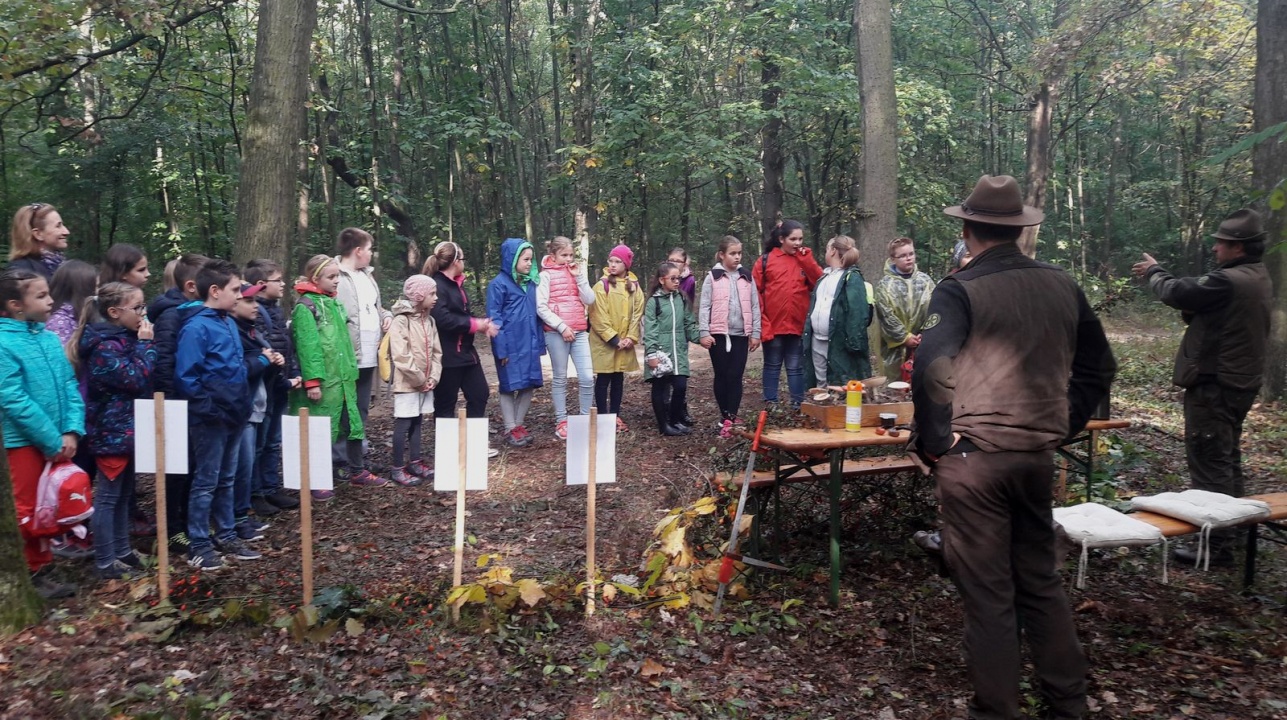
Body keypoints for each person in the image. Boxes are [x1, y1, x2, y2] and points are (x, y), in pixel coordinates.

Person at [909, 174, 1115, 720]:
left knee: (989, 594)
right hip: (1034, 457)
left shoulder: (959, 288)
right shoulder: (1061, 283)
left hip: (975, 461)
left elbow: (932, 366)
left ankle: (996, 710)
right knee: (1040, 583)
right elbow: (1099, 367)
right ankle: (1067, 704)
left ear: (967, 229)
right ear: (1019, 231)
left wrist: (937, 441)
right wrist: (1063, 425)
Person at [1130, 208, 1273, 568]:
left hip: (1216, 385)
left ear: (1238, 247)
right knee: (1226, 458)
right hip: (1238, 382)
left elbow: (1180, 293)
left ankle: (1216, 546)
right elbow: (1204, 308)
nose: (1214, 248)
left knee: (1210, 463)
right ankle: (1233, 531)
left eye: (1221, 243)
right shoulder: (1256, 275)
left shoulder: (1230, 280)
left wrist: (1155, 271)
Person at [0, 268, 85, 598]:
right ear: (15, 305)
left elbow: (69, 383)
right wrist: (51, 439)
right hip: (21, 443)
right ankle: (30, 572)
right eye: (41, 296)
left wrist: (72, 430)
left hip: (58, 439)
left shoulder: (49, 338)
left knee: (49, 504)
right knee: (26, 508)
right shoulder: (4, 343)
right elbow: (12, 397)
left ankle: (43, 564)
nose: (51, 301)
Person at [174, 259, 262, 570]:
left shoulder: (227, 323)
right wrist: (210, 411)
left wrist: (240, 406)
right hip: (210, 419)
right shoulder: (196, 327)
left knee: (227, 478)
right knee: (206, 481)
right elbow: (187, 377)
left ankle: (226, 534)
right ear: (214, 291)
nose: (239, 296)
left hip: (235, 414)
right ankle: (199, 543)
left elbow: (235, 369)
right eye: (235, 290)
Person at [67, 282, 156, 580]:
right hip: (111, 432)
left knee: (124, 494)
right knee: (108, 497)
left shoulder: (125, 340)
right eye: (137, 307)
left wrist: (142, 345)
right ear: (115, 312)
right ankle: (106, 561)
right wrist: (146, 345)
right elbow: (135, 379)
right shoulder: (104, 347)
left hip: (129, 430)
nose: (143, 313)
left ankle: (123, 551)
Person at [291, 254, 387, 492]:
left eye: (337, 276)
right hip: (325, 381)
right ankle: (316, 479)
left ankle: (357, 470)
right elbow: (308, 346)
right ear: (316, 278)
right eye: (331, 277)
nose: (336, 281)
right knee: (321, 428)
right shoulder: (306, 307)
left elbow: (344, 342)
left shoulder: (334, 303)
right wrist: (313, 381)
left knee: (352, 424)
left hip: (344, 378)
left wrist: (351, 371)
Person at [148, 252, 207, 554]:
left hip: (190, 402)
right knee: (176, 469)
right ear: (191, 286)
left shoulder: (193, 311)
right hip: (174, 403)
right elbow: (164, 361)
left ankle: (186, 521)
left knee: (191, 466)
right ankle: (171, 529)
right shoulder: (171, 314)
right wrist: (172, 403)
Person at [422, 243, 499, 447]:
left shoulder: (458, 284)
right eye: (463, 259)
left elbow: (462, 315)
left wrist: (481, 325)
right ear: (455, 261)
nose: (464, 263)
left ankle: (472, 445)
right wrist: (475, 324)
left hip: (466, 353)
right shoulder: (437, 285)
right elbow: (443, 319)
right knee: (445, 404)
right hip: (447, 356)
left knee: (480, 394)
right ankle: (447, 449)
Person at [244, 259, 301, 515]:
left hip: (279, 385)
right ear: (261, 284)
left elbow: (286, 347)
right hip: (266, 386)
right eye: (278, 280)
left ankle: (270, 487)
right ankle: (255, 493)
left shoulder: (276, 311)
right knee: (260, 442)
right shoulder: (254, 314)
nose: (283, 284)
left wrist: (293, 373)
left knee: (273, 441)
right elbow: (264, 353)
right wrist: (282, 380)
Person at [333, 228, 392, 470]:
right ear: (358, 251)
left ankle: (357, 458)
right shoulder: (334, 275)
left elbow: (375, 307)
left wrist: (386, 316)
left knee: (361, 408)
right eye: (369, 249)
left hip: (369, 355)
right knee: (343, 410)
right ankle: (340, 460)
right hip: (346, 356)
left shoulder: (368, 276)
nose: (371, 253)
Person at [230, 282, 284, 541]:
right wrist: (264, 359)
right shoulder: (235, 332)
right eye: (249, 301)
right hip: (244, 408)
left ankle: (242, 515)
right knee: (238, 467)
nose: (255, 306)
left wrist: (275, 363)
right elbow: (238, 370)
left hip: (258, 405)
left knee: (248, 461)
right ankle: (234, 519)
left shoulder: (252, 331)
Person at [752, 219, 823, 406]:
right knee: (772, 365)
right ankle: (771, 405)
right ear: (781, 239)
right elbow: (754, 293)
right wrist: (762, 322)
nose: (798, 243)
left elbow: (820, 283)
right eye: (793, 239)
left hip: (797, 325)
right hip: (773, 325)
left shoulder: (804, 259)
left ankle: (798, 405)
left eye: (800, 239)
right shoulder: (765, 261)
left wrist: (807, 261)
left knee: (795, 367)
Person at [698, 236, 761, 438]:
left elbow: (755, 305)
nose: (737, 257)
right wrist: (704, 332)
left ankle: (732, 417)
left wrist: (755, 332)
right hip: (718, 335)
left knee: (736, 376)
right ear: (721, 255)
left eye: (739, 253)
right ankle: (724, 416)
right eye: (732, 253)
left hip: (740, 335)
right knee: (722, 375)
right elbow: (704, 306)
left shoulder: (747, 277)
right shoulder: (712, 277)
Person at [536, 236, 596, 440]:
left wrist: (580, 278)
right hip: (556, 333)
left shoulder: (576, 272)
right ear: (553, 255)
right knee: (560, 377)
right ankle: (561, 420)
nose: (569, 259)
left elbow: (590, 299)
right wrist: (562, 327)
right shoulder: (545, 276)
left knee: (587, 377)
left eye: (571, 255)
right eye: (564, 255)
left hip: (579, 331)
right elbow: (541, 307)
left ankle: (585, 419)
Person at [487, 238, 545, 447]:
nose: (529, 263)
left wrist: (539, 344)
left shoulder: (531, 283)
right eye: (525, 259)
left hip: (530, 343)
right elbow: (494, 318)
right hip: (510, 345)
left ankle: (518, 425)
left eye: (531, 259)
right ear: (512, 260)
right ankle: (510, 427)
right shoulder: (498, 284)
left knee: (529, 383)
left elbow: (537, 316)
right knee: (509, 386)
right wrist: (501, 350)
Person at [387, 275, 442, 485]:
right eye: (432, 294)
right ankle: (397, 468)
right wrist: (419, 379)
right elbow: (401, 355)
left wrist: (433, 377)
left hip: (425, 383)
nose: (436, 298)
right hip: (407, 384)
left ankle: (415, 462)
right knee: (404, 423)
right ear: (419, 295)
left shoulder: (430, 320)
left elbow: (437, 352)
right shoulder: (402, 321)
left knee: (418, 421)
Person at [802, 235, 872, 390]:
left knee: (842, 385)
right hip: (817, 340)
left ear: (833, 251)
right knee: (821, 385)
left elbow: (858, 313)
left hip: (838, 343)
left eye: (827, 249)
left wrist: (854, 344)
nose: (826, 252)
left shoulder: (852, 277)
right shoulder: (824, 277)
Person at [588, 244, 644, 433]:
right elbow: (597, 316)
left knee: (618, 378)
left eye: (617, 261)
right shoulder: (601, 286)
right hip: (605, 344)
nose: (612, 265)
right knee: (603, 379)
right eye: (610, 261)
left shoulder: (634, 286)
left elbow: (637, 313)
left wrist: (630, 337)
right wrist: (613, 339)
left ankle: (615, 415)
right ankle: (602, 416)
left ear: (626, 264)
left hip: (624, 343)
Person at [644, 262, 700, 436]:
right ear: (662, 280)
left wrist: (702, 338)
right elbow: (650, 330)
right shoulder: (653, 302)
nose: (677, 282)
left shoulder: (681, 298)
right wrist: (652, 354)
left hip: (679, 351)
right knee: (660, 388)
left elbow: (689, 324)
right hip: (661, 352)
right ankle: (664, 425)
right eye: (673, 278)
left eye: (679, 278)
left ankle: (675, 420)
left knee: (680, 386)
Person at [874, 236, 935, 381]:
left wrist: (925, 334)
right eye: (902, 256)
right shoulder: (885, 285)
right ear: (893, 259)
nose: (908, 258)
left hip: (922, 344)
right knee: (895, 384)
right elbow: (886, 316)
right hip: (894, 348)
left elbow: (935, 309)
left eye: (911, 254)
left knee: (921, 382)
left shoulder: (925, 282)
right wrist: (904, 337)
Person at [7, 203, 70, 281]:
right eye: (58, 226)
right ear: (38, 234)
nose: (66, 232)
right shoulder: (21, 272)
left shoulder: (63, 265)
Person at [47, 259, 99, 344]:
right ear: (84, 289)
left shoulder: (80, 314)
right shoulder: (59, 323)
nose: (98, 291)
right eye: (96, 287)